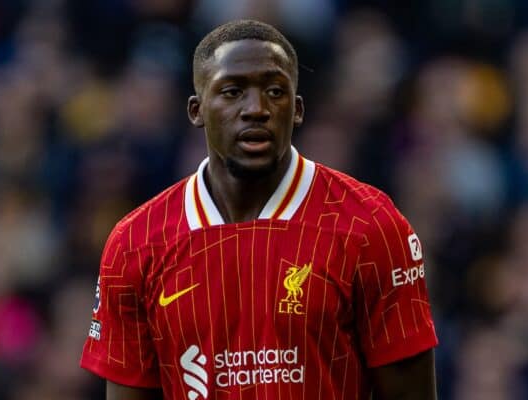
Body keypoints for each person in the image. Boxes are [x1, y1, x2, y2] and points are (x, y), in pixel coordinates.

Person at [80, 19, 438, 400]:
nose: (256, 109)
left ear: (297, 109)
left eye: (274, 91)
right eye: (232, 91)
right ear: (196, 110)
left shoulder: (370, 224)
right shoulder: (136, 242)